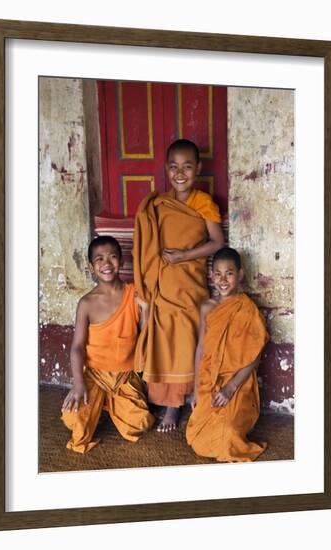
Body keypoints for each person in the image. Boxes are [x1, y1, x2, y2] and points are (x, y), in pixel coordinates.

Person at [132, 139, 224, 432]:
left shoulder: (204, 202)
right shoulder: (159, 204)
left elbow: (217, 243)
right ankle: (164, 399)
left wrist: (184, 255)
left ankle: (174, 406)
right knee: (163, 339)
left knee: (185, 338)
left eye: (187, 166)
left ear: (198, 168)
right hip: (163, 282)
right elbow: (148, 242)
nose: (180, 173)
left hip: (189, 283)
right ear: (166, 169)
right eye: (174, 167)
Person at [61, 236, 155, 453]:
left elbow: (144, 335)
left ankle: (108, 406)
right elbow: (77, 347)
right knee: (72, 419)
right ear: (91, 267)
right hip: (94, 374)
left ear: (121, 262)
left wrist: (146, 310)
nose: (106, 263)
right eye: (99, 259)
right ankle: (100, 404)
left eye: (112, 257)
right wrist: (78, 383)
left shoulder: (134, 293)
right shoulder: (86, 303)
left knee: (139, 424)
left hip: (124, 374)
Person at [186, 247, 269, 462]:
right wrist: (196, 390)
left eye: (229, 273)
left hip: (238, 381)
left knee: (229, 433)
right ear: (211, 276)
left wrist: (231, 387)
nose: (223, 280)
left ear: (240, 275)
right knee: (196, 438)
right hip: (209, 378)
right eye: (218, 274)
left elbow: (255, 356)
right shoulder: (206, 307)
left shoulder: (248, 309)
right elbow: (201, 349)